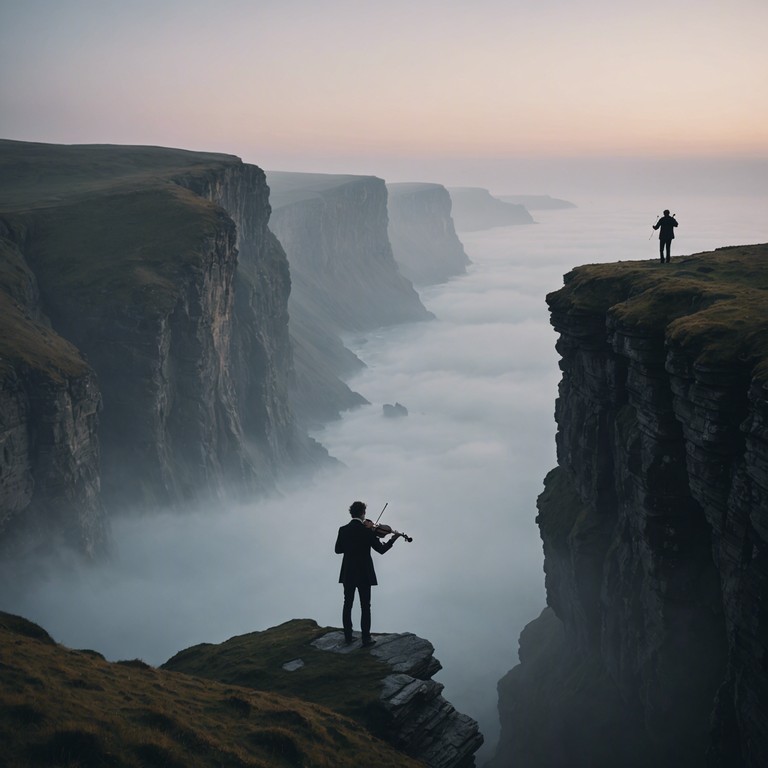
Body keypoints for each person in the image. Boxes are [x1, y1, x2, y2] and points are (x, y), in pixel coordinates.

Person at [335, 500, 400, 646]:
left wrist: (351, 546)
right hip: (364, 572)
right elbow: (381, 550)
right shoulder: (367, 531)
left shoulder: (343, 529)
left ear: (351, 513)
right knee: (365, 606)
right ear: (363, 513)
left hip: (348, 572)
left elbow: (338, 550)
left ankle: (348, 637)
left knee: (348, 604)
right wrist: (392, 540)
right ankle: (366, 638)